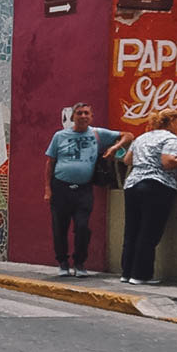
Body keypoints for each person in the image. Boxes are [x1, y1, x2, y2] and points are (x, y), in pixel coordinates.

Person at [44, 103, 133, 277]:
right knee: (59, 228)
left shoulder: (97, 134)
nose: (83, 116)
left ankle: (79, 262)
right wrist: (48, 189)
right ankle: (62, 262)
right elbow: (50, 163)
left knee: (83, 226)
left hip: (84, 190)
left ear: (91, 117)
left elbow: (129, 135)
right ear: (73, 117)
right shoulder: (60, 136)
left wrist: (114, 147)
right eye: (79, 113)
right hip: (61, 187)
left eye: (86, 113)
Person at [120, 109, 177, 285]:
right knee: (149, 231)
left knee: (132, 230)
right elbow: (168, 162)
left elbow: (127, 160)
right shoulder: (170, 139)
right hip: (156, 185)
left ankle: (127, 272)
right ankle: (141, 275)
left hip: (132, 184)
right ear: (171, 122)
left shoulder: (142, 137)